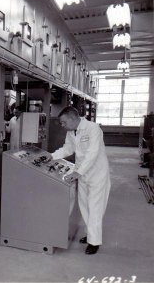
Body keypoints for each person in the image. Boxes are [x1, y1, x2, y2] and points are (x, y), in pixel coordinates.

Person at [45, 106, 111, 255]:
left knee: (95, 207)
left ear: (72, 118)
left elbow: (92, 153)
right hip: (82, 174)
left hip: (97, 174)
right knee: (84, 206)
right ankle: (91, 235)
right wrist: (52, 156)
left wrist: (78, 172)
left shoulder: (93, 128)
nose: (62, 126)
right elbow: (68, 148)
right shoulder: (71, 131)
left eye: (63, 122)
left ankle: (94, 242)